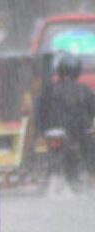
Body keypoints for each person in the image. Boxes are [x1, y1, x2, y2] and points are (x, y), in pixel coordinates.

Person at [38, 52, 95, 187]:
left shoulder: (49, 90)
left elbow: (41, 113)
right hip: (77, 132)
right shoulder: (84, 90)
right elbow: (92, 110)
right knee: (91, 149)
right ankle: (92, 175)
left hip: (53, 130)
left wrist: (42, 129)